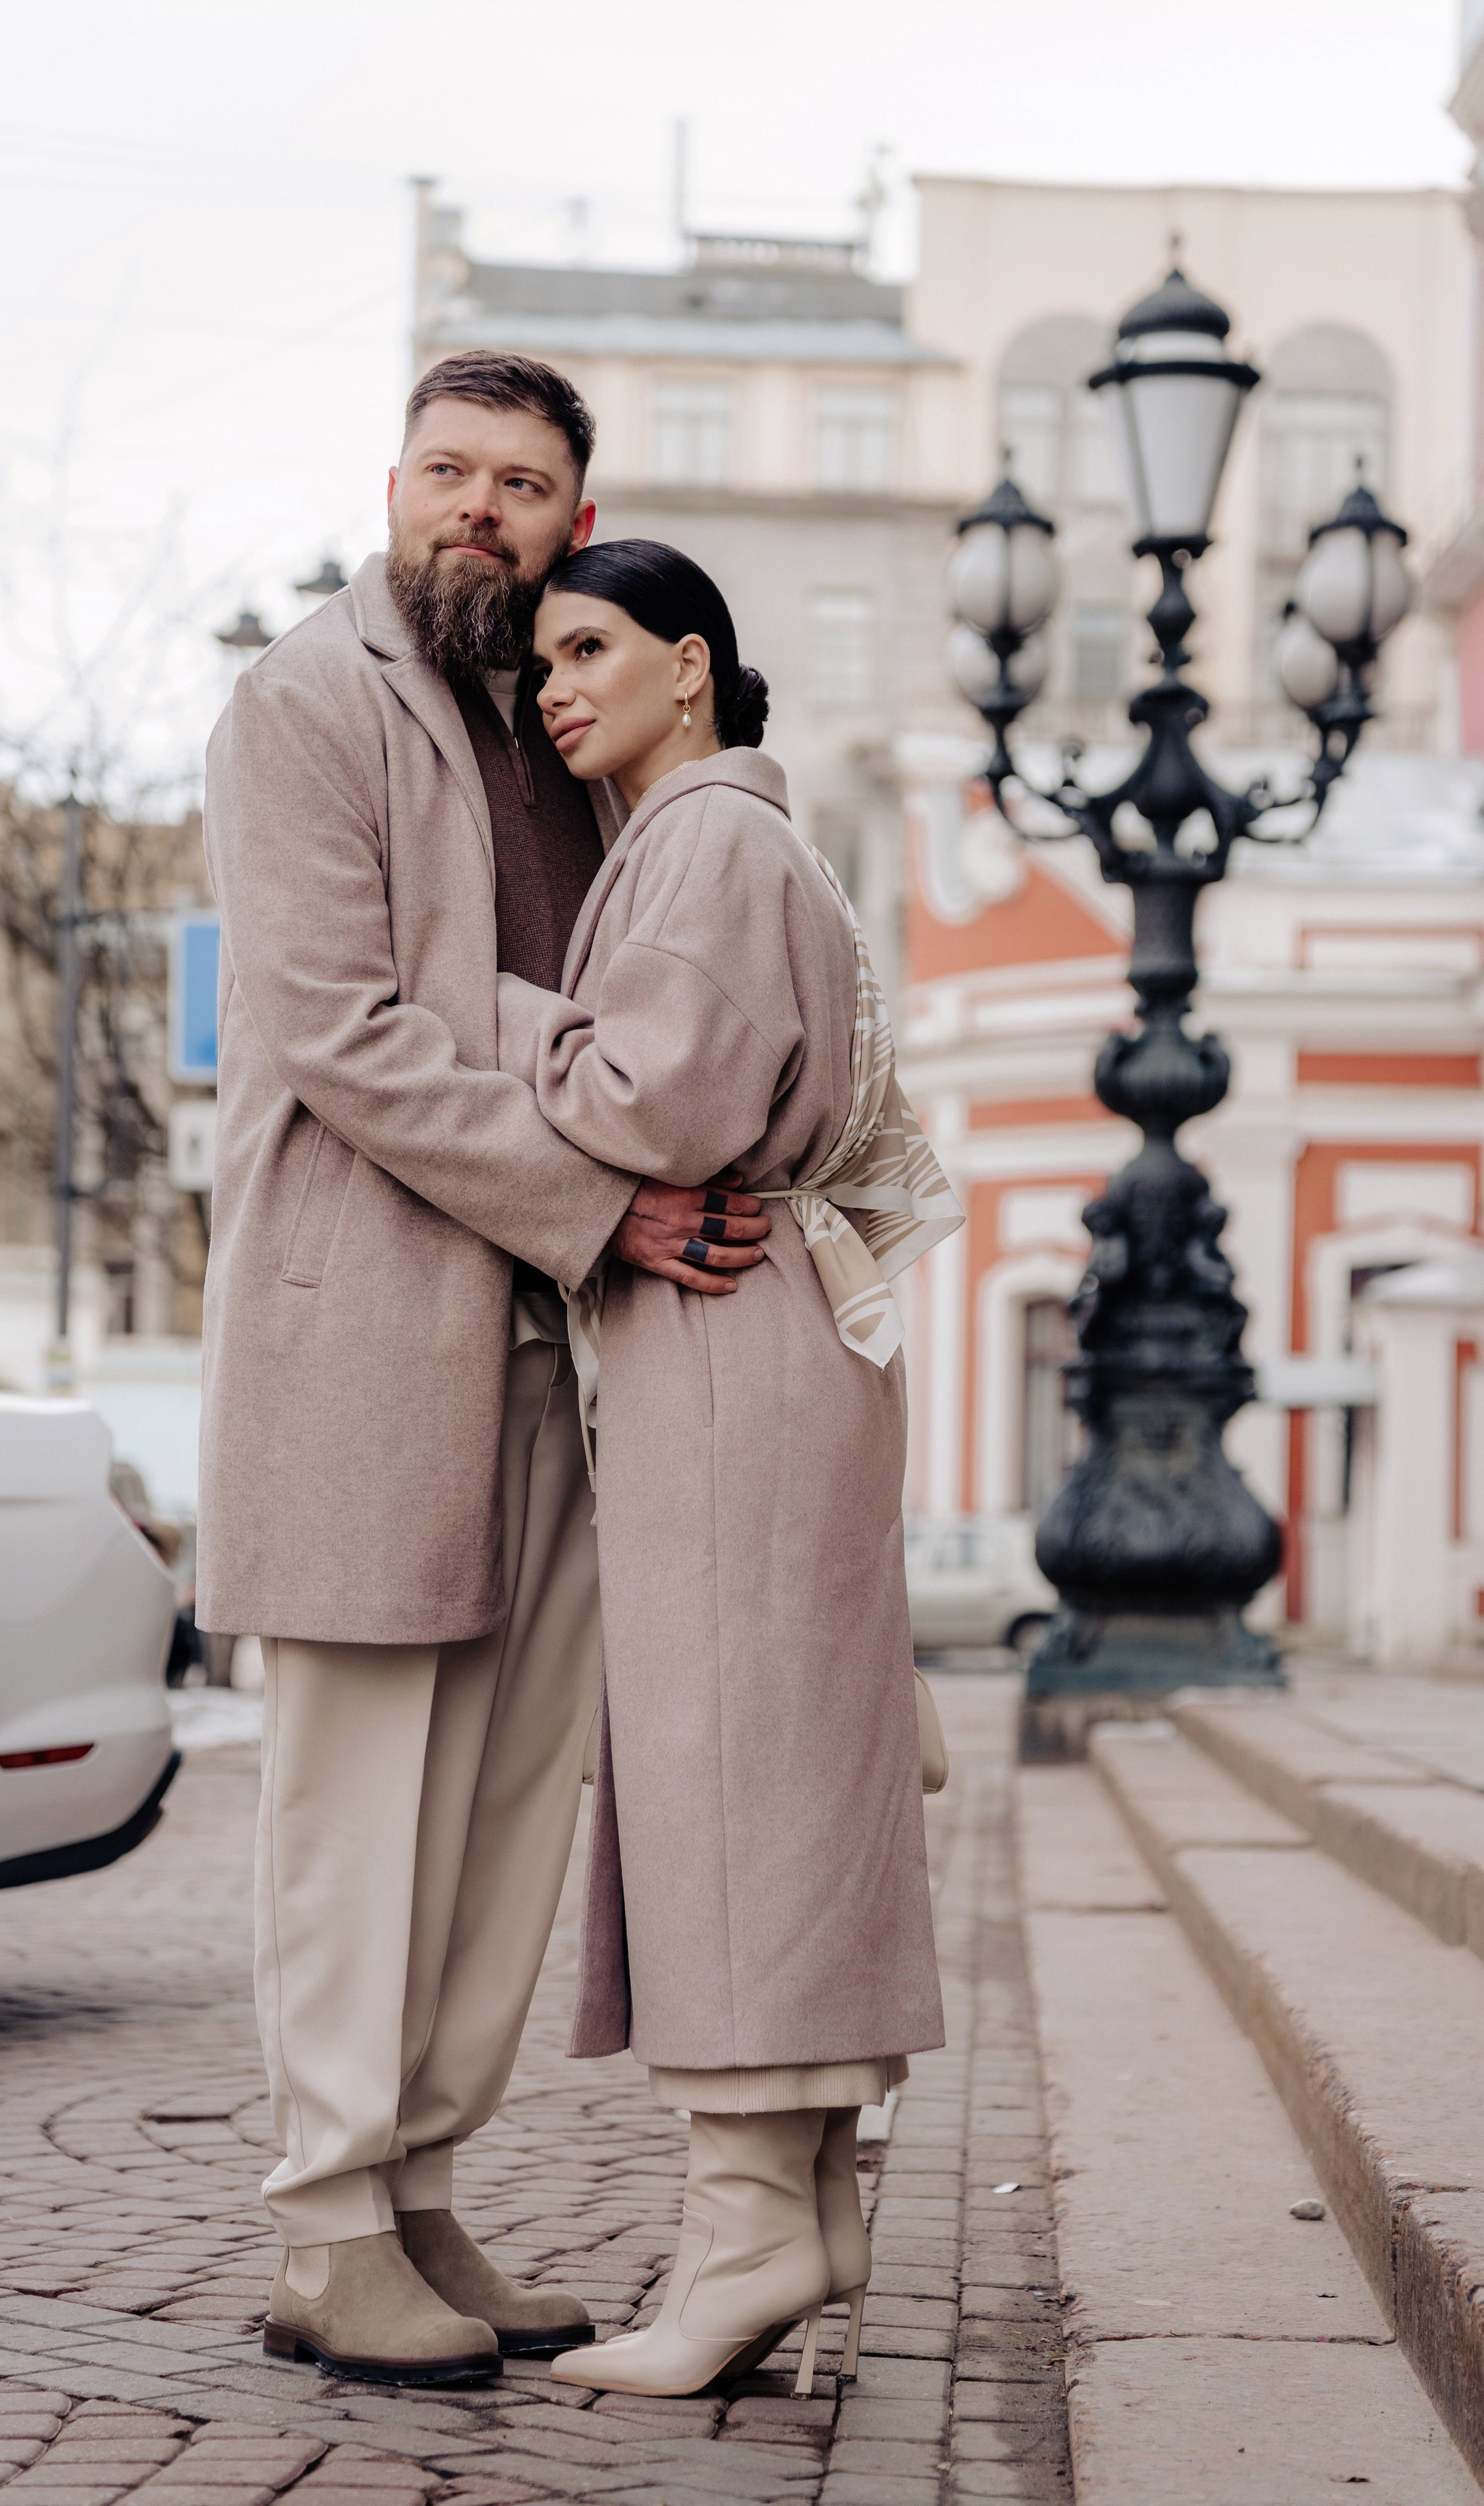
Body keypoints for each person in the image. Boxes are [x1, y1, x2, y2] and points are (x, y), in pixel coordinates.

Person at [197, 356, 772, 2387]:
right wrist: (605, 1204)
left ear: (571, 511)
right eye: (451, 469)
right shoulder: (306, 701)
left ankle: (424, 2183)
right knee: (363, 1799)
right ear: (395, 485)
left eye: (523, 484)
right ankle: (327, 2220)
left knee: (505, 1802)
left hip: (552, 1345)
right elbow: (348, 1029)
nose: (482, 509)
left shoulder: (560, 728)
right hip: (368, 1329)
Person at [492, 540, 958, 2399]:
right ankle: (802, 2198)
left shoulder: (697, 842)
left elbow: (655, 1106)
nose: (555, 687)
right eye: (538, 662)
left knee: (729, 1755)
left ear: (694, 665)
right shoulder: (740, 844)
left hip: (725, 1333)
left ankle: (750, 2236)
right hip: (772, 1336)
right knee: (769, 1748)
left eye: (587, 646)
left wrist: (497, 1007)